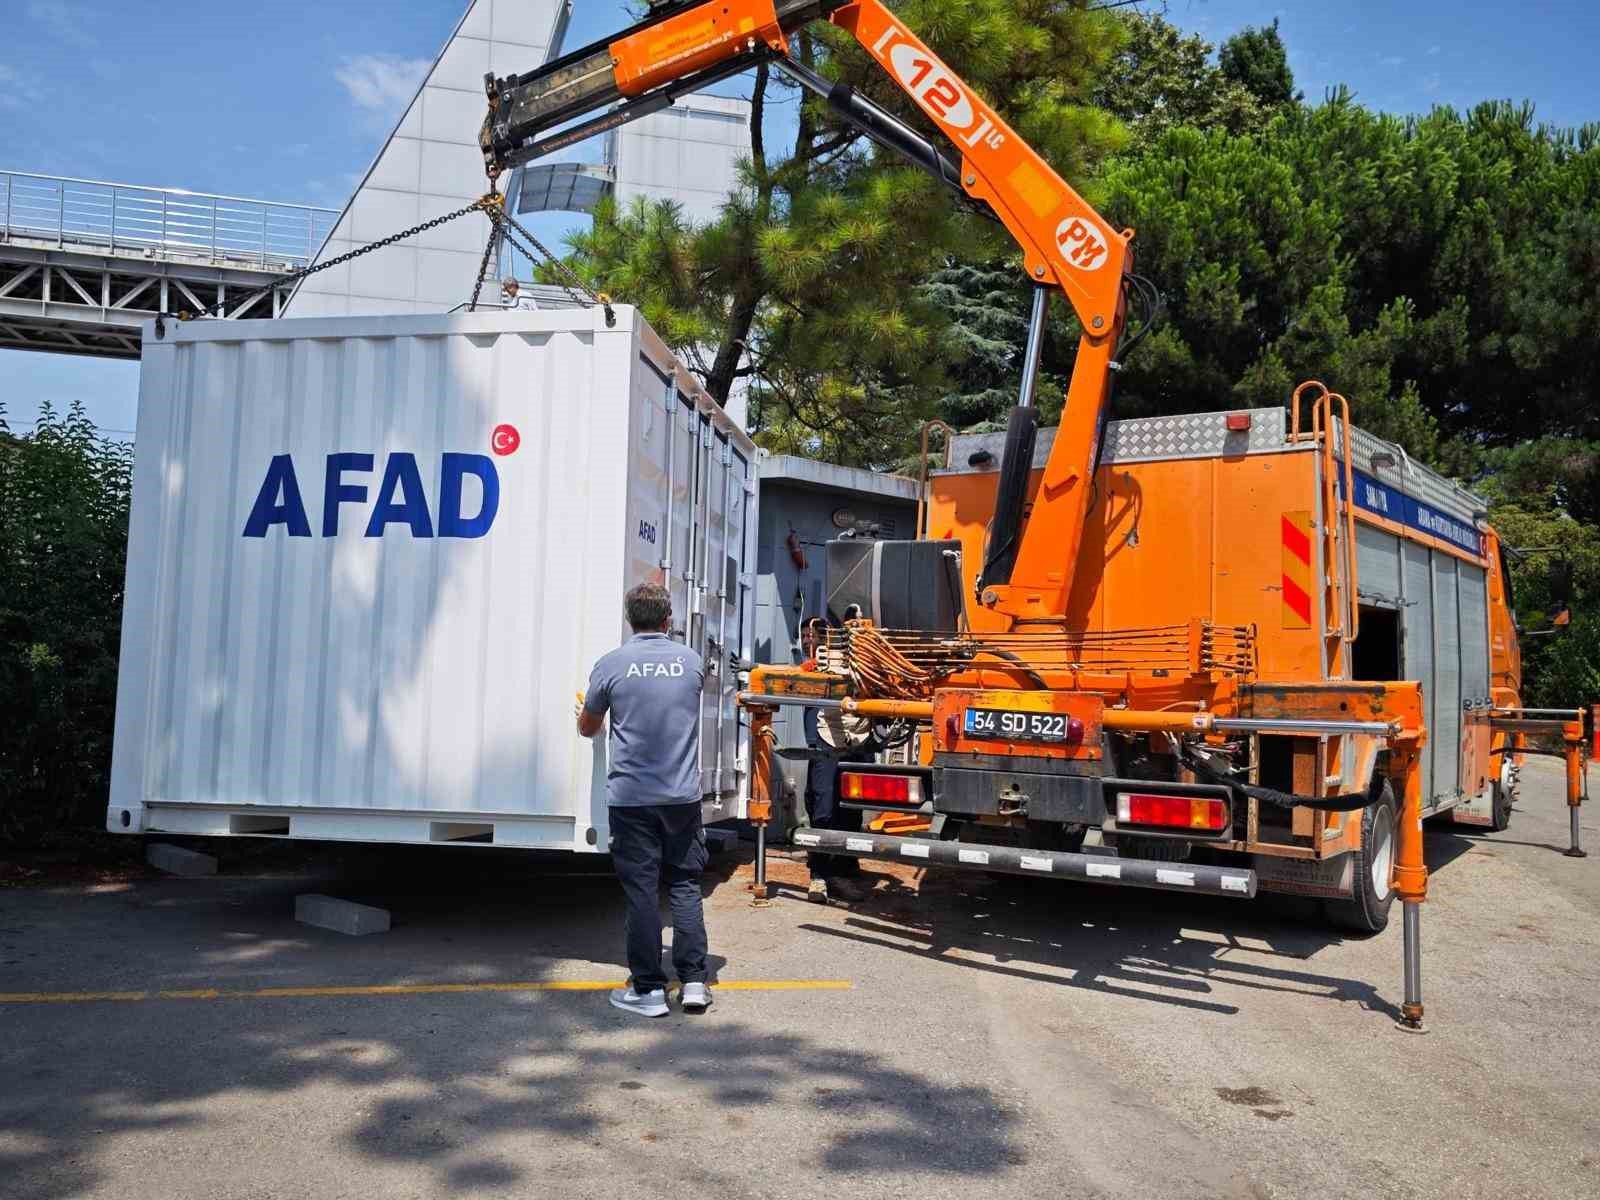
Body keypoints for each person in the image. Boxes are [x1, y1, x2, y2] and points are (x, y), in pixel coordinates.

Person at [577, 581, 711, 1018]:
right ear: (669, 620)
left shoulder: (611, 665)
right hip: (681, 797)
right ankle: (694, 982)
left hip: (632, 798)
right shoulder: (691, 662)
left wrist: (589, 709)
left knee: (641, 892)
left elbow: (588, 726)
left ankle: (649, 989)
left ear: (629, 619)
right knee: (686, 886)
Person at [800, 619, 870, 905]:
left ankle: (840, 869)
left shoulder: (842, 665)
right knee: (820, 804)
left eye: (812, 636)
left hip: (848, 744)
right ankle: (821, 871)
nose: (807, 641)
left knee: (844, 808)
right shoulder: (808, 666)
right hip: (823, 745)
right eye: (804, 636)